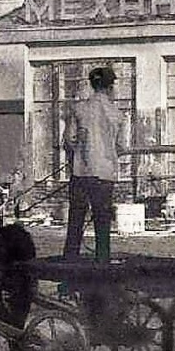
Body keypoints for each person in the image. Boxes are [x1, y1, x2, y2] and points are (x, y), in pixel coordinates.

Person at [63, 65, 126, 261]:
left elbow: (69, 140)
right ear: (110, 87)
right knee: (102, 223)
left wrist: (80, 149)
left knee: (75, 222)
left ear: (92, 85)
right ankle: (102, 264)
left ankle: (69, 267)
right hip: (105, 174)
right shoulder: (117, 114)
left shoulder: (79, 109)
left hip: (81, 173)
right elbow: (121, 147)